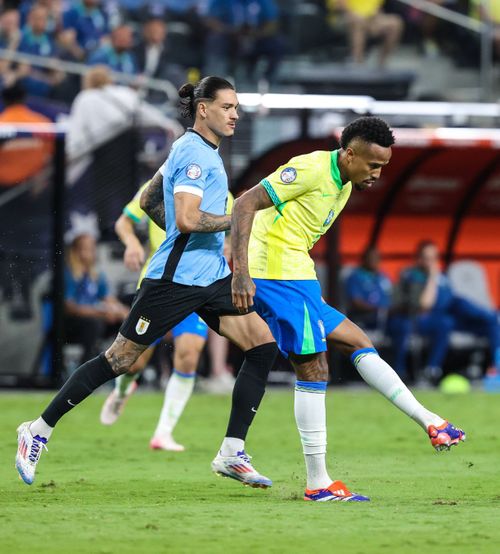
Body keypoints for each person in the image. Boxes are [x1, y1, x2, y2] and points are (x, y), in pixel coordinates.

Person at [15, 76, 279, 488]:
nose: (236, 115)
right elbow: (189, 220)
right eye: (227, 107)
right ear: (203, 109)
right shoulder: (195, 153)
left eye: (237, 107)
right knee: (119, 360)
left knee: (262, 345)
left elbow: (147, 200)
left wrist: (177, 230)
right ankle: (38, 429)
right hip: (173, 282)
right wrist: (238, 216)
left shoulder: (192, 148)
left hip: (209, 277)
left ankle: (232, 452)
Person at [228, 116, 465, 502]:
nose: (377, 174)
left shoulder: (345, 181)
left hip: (298, 275)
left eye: (383, 166)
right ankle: (319, 483)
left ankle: (431, 421)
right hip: (274, 273)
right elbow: (244, 204)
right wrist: (241, 272)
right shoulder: (309, 169)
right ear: (349, 153)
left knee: (357, 341)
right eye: (373, 164)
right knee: (313, 367)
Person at [98, 180, 209, 452]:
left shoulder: (219, 187)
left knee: (189, 355)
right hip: (158, 284)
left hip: (199, 285)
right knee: (132, 362)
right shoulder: (160, 183)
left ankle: (163, 433)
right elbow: (124, 222)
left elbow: (232, 231)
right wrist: (132, 243)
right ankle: (123, 390)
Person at [390, 240, 500, 383]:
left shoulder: (443, 277)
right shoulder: (413, 276)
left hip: (450, 315)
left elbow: (450, 299)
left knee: (488, 324)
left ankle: (497, 366)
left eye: (435, 258)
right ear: (419, 259)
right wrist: (432, 277)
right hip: (424, 320)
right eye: (428, 258)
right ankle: (432, 369)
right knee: (446, 321)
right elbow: (425, 305)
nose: (432, 262)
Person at [64, 229, 129, 362]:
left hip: (95, 319)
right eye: (86, 249)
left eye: (93, 249)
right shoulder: (68, 273)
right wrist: (100, 313)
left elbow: (109, 299)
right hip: (70, 324)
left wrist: (124, 313)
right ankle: (86, 368)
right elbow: (69, 308)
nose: (91, 253)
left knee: (123, 323)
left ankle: (120, 366)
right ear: (76, 251)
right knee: (94, 325)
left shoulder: (96, 275)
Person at [333, 0, 404, 67]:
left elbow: (377, 9)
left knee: (395, 23)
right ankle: (357, 63)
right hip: (343, 18)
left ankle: (382, 64)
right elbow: (340, 7)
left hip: (369, 19)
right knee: (357, 21)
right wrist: (363, 19)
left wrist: (375, 20)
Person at [345, 246, 392, 331]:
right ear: (364, 259)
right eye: (371, 258)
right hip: (365, 318)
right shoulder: (356, 277)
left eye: (377, 258)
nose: (375, 261)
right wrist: (378, 309)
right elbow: (356, 302)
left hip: (387, 317)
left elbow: (391, 296)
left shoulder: (383, 277)